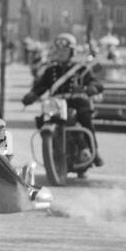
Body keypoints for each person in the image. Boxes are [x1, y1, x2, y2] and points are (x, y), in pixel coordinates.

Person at [23, 32, 104, 167]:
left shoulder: (81, 69)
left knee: (85, 119)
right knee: (43, 120)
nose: (61, 53)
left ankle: (93, 151)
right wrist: (32, 95)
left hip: (77, 103)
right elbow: (41, 86)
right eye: (58, 50)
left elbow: (95, 83)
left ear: (71, 51)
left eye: (64, 50)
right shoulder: (50, 70)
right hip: (57, 105)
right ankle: (50, 149)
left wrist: (92, 88)